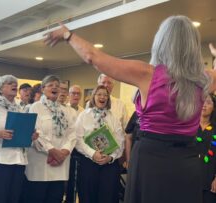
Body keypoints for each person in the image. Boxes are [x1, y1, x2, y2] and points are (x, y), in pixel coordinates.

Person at [45, 15, 216, 203]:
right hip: (187, 161)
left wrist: (68, 35)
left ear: (161, 42)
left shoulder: (147, 74)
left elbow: (93, 57)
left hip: (151, 158)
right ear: (193, 45)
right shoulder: (205, 78)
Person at [0, 75, 38, 203]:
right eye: (9, 83)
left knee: (13, 199)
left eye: (15, 83)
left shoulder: (21, 110)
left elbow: (23, 135)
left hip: (19, 162)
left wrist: (31, 136)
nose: (14, 85)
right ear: (0, 89)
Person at [24, 75, 76, 203]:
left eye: (57, 86)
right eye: (51, 85)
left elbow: (72, 134)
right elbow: (36, 133)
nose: (55, 87)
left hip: (60, 165)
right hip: (39, 166)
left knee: (55, 198)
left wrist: (64, 152)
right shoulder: (35, 107)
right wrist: (53, 151)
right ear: (42, 89)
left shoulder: (66, 110)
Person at [75, 85, 125, 203]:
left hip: (109, 165)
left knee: (108, 197)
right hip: (88, 163)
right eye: (99, 94)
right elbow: (77, 139)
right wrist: (93, 154)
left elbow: (120, 140)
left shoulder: (113, 117)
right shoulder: (84, 115)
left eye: (105, 95)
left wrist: (111, 157)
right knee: (88, 196)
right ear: (94, 97)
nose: (102, 97)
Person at [65, 84, 84, 203]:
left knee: (76, 179)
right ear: (68, 95)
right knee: (65, 179)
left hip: (79, 150)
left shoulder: (84, 111)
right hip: (66, 149)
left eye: (78, 94)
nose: (76, 96)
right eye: (73, 93)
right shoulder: (64, 109)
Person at [196, 94, 216, 202]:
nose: (204, 105)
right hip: (189, 176)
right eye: (202, 102)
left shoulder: (215, 128)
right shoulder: (188, 126)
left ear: (213, 108)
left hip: (209, 178)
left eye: (208, 102)